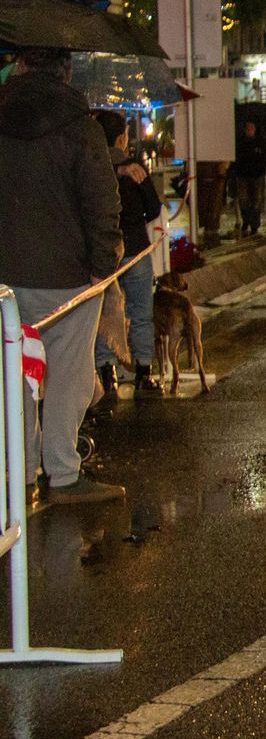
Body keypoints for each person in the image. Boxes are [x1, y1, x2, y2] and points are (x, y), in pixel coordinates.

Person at [0, 47, 126, 504]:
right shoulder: (81, 128)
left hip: (6, 282)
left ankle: (22, 475)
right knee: (68, 375)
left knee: (14, 376)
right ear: (67, 70)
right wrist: (102, 267)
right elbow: (101, 201)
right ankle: (63, 474)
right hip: (68, 277)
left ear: (22, 65)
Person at [92, 110, 163, 406]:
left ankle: (107, 373)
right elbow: (154, 208)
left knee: (104, 314)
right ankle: (144, 373)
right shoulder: (134, 167)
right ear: (122, 137)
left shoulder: (92, 164)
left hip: (103, 252)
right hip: (134, 247)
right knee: (140, 309)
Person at [231, 119, 266, 236]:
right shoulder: (239, 142)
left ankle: (255, 225)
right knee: (244, 200)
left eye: (252, 128)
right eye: (248, 128)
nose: (250, 131)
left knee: (256, 200)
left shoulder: (262, 141)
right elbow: (235, 158)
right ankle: (246, 220)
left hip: (258, 175)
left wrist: (262, 159)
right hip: (242, 175)